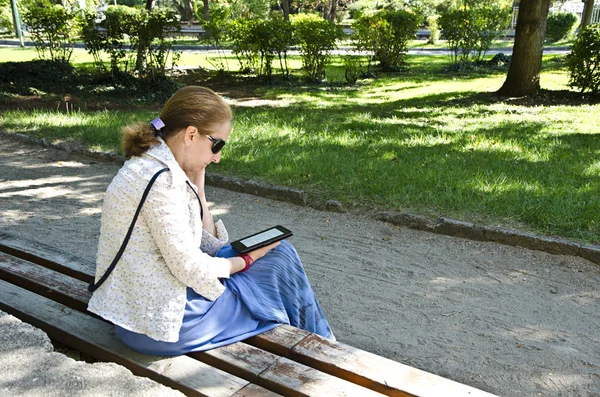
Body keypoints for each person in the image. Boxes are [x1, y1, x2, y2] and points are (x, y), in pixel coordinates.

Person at [87, 86, 334, 356]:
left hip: (138, 313)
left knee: (278, 254)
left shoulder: (152, 164)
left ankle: (321, 344)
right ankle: (326, 351)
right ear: (191, 134)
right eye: (217, 144)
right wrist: (246, 261)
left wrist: (200, 191)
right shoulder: (162, 181)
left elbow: (206, 245)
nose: (217, 157)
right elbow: (190, 267)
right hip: (163, 325)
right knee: (277, 277)